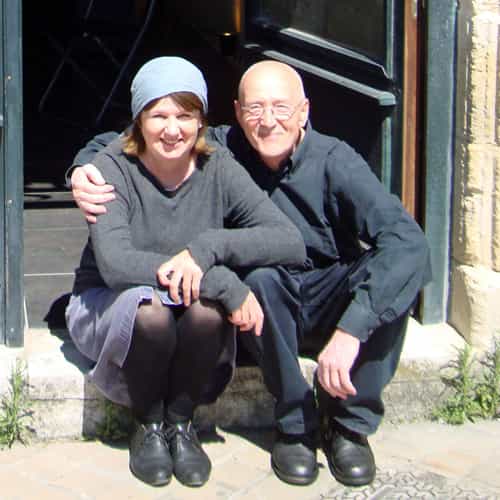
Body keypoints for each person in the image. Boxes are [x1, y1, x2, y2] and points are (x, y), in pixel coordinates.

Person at [69, 60, 432, 488]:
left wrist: (353, 328)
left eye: (281, 107)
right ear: (238, 113)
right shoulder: (222, 146)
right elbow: (137, 133)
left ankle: (349, 424)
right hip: (262, 300)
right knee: (258, 279)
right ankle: (294, 423)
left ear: (304, 111)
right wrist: (82, 168)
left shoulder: (335, 161)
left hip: (324, 292)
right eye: (255, 108)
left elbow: (407, 242)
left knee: (394, 276)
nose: (268, 121)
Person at [64, 57, 307, 489]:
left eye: (185, 115)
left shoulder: (220, 168)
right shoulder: (110, 168)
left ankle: (181, 422)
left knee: (209, 312)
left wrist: (209, 249)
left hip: (184, 303)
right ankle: (147, 423)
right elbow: (117, 265)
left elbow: (288, 240)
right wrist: (220, 279)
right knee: (153, 311)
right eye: (159, 115)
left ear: (201, 122)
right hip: (108, 302)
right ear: (139, 119)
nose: (172, 129)